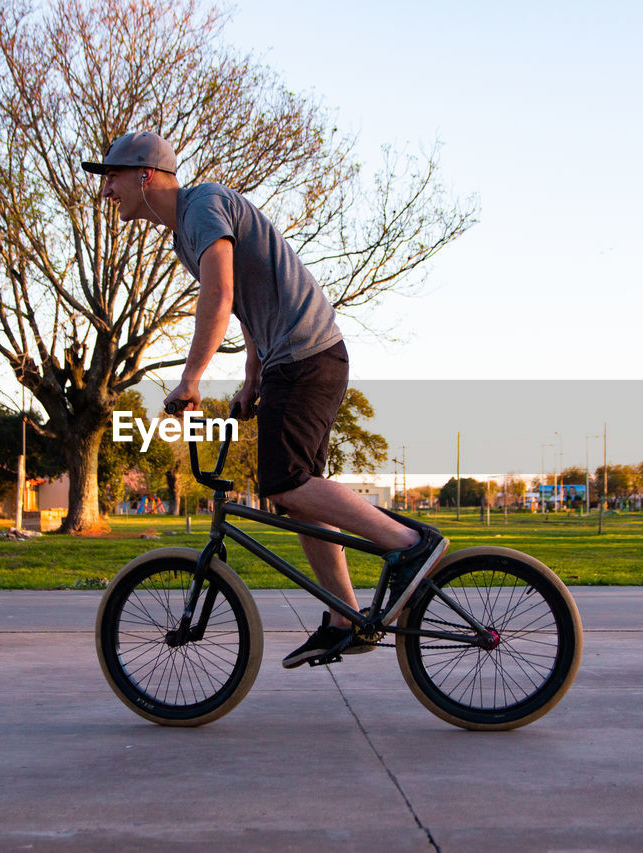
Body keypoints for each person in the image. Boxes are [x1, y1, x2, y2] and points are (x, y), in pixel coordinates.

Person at [82, 131, 447, 668]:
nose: (106, 190)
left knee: (285, 482)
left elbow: (221, 294)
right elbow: (251, 305)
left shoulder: (202, 205)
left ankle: (407, 545)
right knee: (299, 491)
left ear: (145, 174)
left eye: (110, 177)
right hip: (291, 359)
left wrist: (191, 378)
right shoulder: (187, 230)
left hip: (305, 356)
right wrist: (252, 377)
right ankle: (346, 618)